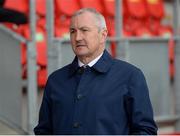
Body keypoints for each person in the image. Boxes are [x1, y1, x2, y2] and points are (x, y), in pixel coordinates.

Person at [34, 8, 158, 135]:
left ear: (103, 35)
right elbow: (43, 131)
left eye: (84, 30)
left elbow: (146, 131)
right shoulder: (56, 80)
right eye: (73, 31)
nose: (77, 37)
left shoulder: (130, 76)